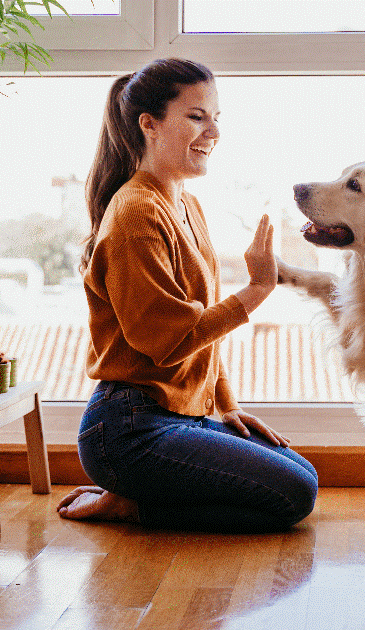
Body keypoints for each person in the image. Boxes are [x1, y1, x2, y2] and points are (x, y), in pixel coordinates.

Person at [57, 58, 318, 532]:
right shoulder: (136, 215)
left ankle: (136, 496)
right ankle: (129, 504)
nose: (213, 131)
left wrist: (226, 405)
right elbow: (169, 341)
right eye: (197, 117)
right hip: (128, 428)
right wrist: (258, 288)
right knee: (293, 495)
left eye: (216, 118)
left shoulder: (183, 202)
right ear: (150, 125)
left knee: (303, 474)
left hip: (180, 414)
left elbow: (201, 336)